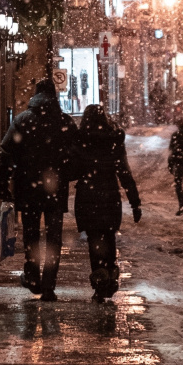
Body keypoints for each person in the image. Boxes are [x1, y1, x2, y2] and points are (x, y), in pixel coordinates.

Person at [0, 79, 79, 302]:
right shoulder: (64, 122)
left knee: (31, 233)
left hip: (28, 186)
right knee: (54, 238)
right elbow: (76, 154)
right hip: (55, 188)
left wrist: (3, 183)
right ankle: (49, 285)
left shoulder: (23, 120)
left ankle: (33, 277)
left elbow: (6, 151)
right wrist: (67, 175)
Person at [71, 104, 141, 302]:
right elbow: (124, 172)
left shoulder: (81, 140)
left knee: (95, 239)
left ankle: (100, 281)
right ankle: (110, 275)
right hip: (110, 195)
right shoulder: (114, 140)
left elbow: (73, 170)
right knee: (109, 236)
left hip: (88, 196)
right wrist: (135, 202)